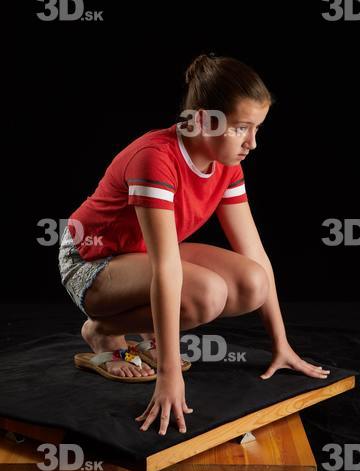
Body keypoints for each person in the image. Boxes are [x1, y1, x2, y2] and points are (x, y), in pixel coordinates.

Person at [58, 53, 330, 436]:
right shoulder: (155, 158)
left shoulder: (227, 164)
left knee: (252, 283)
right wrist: (168, 375)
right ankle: (103, 333)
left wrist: (281, 344)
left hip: (139, 254)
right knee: (207, 294)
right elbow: (167, 268)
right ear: (203, 119)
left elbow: (256, 255)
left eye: (257, 129)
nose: (252, 143)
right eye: (242, 128)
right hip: (91, 262)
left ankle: (119, 330)